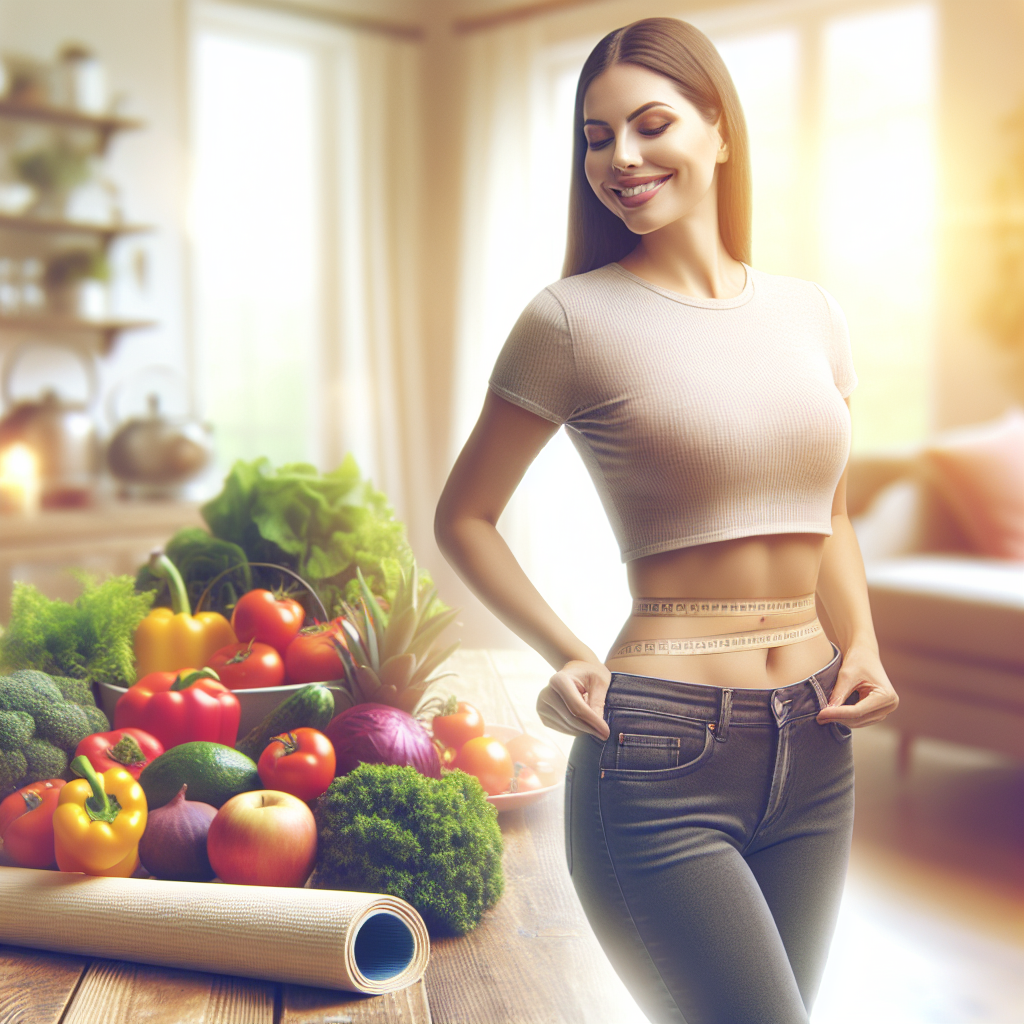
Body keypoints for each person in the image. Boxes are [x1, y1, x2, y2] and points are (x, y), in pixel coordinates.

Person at [434, 16, 899, 1024]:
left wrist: (859, 638)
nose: (622, 158)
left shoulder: (811, 312)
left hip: (818, 743)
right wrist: (560, 651)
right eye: (596, 138)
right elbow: (465, 515)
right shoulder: (570, 320)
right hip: (659, 752)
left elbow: (828, 507)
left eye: (650, 125)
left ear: (719, 130)